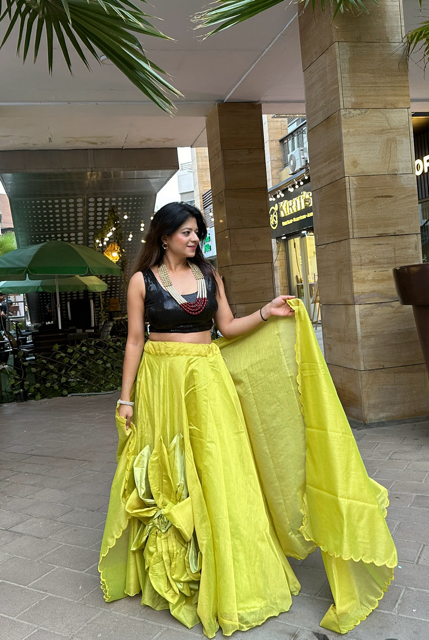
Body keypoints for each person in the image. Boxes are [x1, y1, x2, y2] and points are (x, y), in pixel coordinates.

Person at [99, 202, 397, 638]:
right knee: (170, 470)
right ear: (163, 237)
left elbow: (228, 326)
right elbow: (134, 342)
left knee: (219, 467)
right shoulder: (141, 282)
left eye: (197, 232)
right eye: (185, 232)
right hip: (161, 382)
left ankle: (230, 565)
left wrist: (267, 312)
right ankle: (180, 568)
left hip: (206, 378)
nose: (194, 238)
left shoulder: (210, 276)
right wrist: (126, 399)